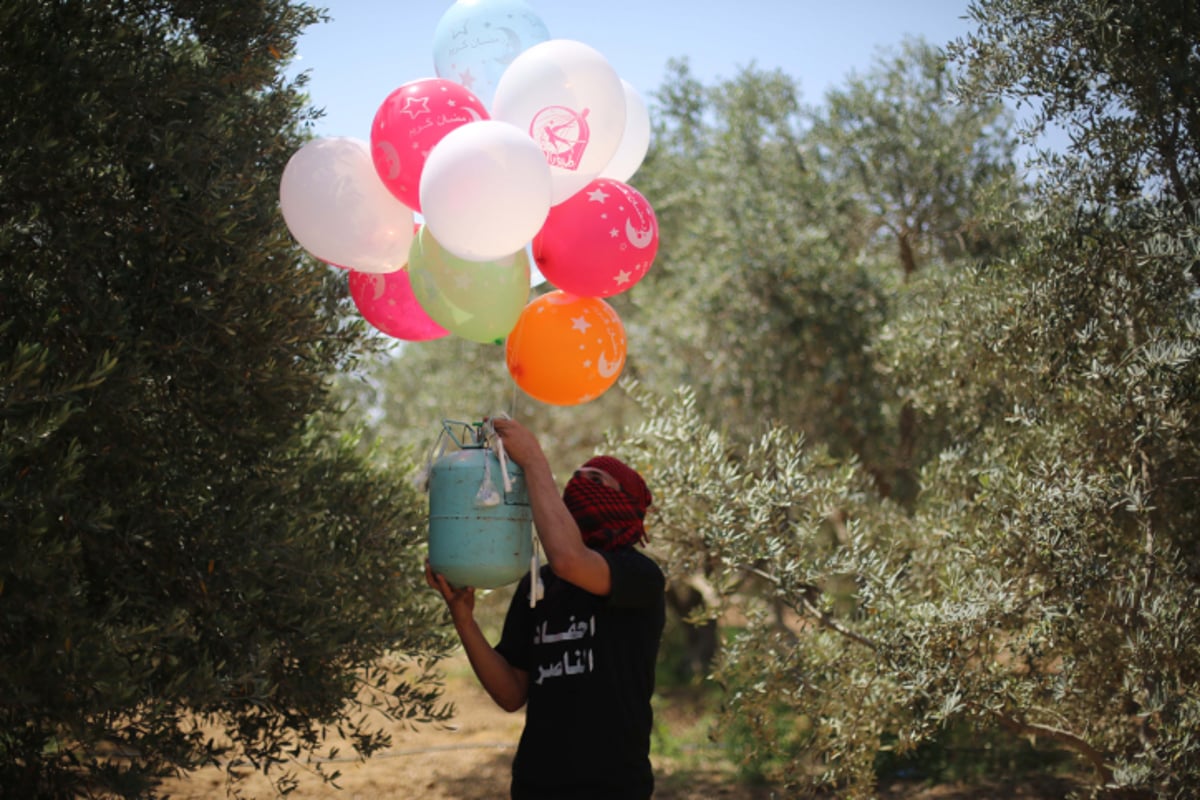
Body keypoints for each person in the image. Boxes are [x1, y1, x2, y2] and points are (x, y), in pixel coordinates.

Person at [425, 417, 666, 799]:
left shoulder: (639, 575)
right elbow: (510, 693)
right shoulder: (538, 585)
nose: (580, 485)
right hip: (536, 786)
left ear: (626, 503)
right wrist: (463, 619)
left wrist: (534, 460)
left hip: (613, 787)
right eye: (577, 477)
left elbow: (570, 559)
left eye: (597, 481)